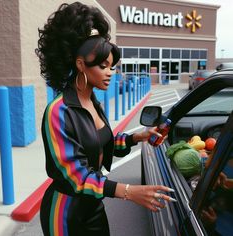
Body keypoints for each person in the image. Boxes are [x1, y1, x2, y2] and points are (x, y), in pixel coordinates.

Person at [35, 2, 175, 235]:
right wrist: (130, 191)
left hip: (93, 204)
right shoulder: (58, 111)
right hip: (65, 213)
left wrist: (138, 136)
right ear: (80, 64)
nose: (111, 72)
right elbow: (77, 178)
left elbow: (102, 144)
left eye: (112, 66)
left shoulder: (93, 102)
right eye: (103, 65)